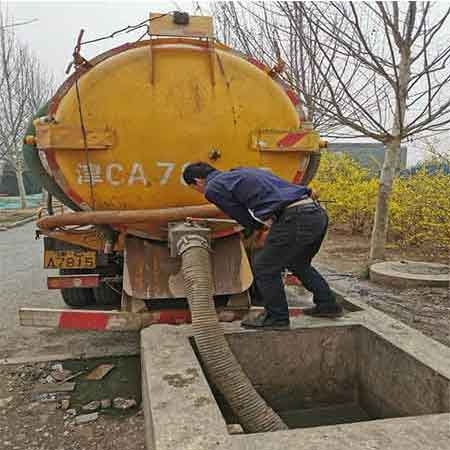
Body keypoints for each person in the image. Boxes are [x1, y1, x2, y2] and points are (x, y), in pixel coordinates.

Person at [182, 162, 343, 329]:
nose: (200, 192)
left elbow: (241, 215)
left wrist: (255, 228)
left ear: (198, 181)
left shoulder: (213, 187)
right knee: (298, 263)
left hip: (294, 218)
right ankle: (328, 306)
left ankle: (277, 318)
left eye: (196, 188)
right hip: (315, 213)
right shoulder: (245, 172)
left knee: (264, 267)